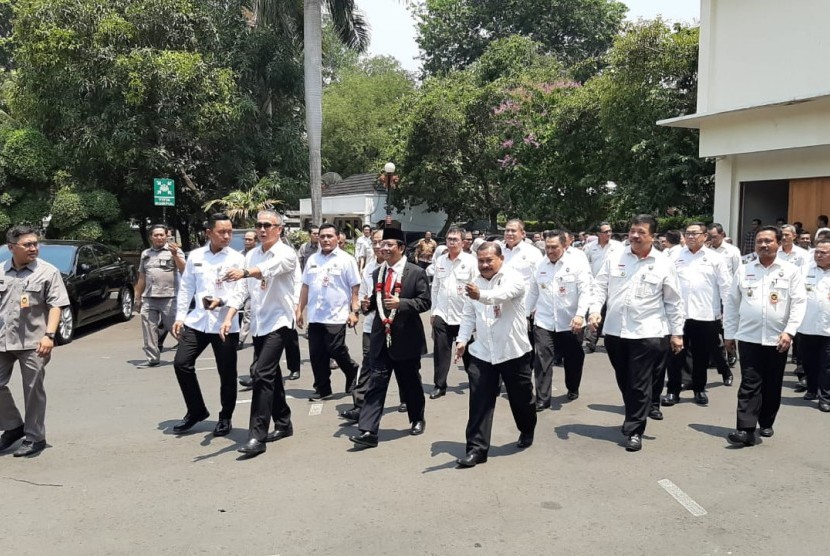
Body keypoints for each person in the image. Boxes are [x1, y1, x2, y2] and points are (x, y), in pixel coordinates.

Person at [589, 215, 685, 452]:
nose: (635, 236)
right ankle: (635, 411)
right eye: (632, 231)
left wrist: (677, 333)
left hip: (647, 331)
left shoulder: (663, 263)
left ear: (652, 236)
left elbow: (674, 301)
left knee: (638, 381)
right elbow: (600, 286)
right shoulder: (615, 257)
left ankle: (634, 429)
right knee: (625, 379)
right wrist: (594, 311)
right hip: (615, 331)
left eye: (641, 232)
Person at [220, 211, 297, 456]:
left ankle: (257, 436)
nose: (262, 229)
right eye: (259, 225)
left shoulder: (286, 254)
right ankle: (284, 423)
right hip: (259, 324)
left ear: (279, 228)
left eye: (268, 225)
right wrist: (229, 316)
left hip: (280, 322)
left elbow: (269, 269)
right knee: (270, 374)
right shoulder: (251, 254)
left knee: (261, 374)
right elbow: (242, 290)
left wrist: (244, 272)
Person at [453, 242, 537, 467]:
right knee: (479, 400)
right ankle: (476, 449)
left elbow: (500, 296)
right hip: (483, 352)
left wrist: (480, 295)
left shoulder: (514, 278)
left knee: (521, 399)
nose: (485, 265)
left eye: (489, 260)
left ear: (501, 259)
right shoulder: (474, 284)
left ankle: (527, 428)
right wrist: (462, 340)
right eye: (481, 261)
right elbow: (468, 315)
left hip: (513, 352)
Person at [349, 227, 431, 448]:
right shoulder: (378, 272)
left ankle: (417, 418)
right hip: (380, 338)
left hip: (406, 338)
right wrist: (367, 306)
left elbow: (425, 302)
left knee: (410, 383)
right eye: (381, 245)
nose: (383, 249)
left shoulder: (415, 272)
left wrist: (401, 304)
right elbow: (377, 303)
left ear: (401, 248)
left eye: (388, 245)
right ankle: (368, 431)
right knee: (376, 383)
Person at [724, 226, 806, 446]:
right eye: (759, 241)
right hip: (749, 337)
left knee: (772, 383)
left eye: (768, 241)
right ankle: (745, 429)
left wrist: (789, 331)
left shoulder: (790, 271)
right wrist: (729, 334)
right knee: (749, 383)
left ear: (778, 243)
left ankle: (766, 420)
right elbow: (732, 304)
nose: (763, 245)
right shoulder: (744, 269)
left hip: (778, 338)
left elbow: (798, 303)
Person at [170, 213, 244, 436]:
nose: (227, 236)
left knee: (227, 373)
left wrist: (222, 302)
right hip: (198, 321)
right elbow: (186, 287)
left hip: (225, 323)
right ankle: (196, 410)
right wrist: (180, 316)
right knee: (181, 363)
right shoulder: (195, 256)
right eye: (222, 232)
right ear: (208, 233)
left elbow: (241, 292)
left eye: (230, 231)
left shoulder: (237, 259)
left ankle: (225, 416)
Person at [0, 225, 69, 457]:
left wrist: (50, 335)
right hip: (3, 341)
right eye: (27, 244)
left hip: (34, 342)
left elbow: (55, 305)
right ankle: (13, 426)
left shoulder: (48, 272)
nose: (33, 248)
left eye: (35, 243)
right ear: (12, 247)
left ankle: (34, 437)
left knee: (33, 390)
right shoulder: (1, 271)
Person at [660, 222, 732, 409]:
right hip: (679, 314)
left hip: (706, 314)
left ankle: (699, 389)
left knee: (701, 355)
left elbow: (726, 287)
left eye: (695, 233)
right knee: (675, 354)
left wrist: (727, 313)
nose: (691, 237)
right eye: (688, 233)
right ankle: (673, 390)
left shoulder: (715, 259)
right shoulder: (675, 257)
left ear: (704, 236)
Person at [340, 229, 406, 421]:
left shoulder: (403, 268)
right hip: (372, 327)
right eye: (376, 243)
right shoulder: (369, 268)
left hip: (397, 327)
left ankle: (407, 399)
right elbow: (362, 295)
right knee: (369, 364)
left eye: (384, 243)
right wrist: (359, 309)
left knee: (403, 366)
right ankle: (360, 405)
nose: (379, 247)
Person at [526, 230, 593, 411]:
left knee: (573, 359)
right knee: (542, 359)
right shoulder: (540, 266)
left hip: (571, 323)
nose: (550, 250)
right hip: (544, 321)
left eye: (554, 247)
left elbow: (586, 291)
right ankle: (542, 398)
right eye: (547, 247)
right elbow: (533, 292)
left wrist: (580, 314)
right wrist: (524, 314)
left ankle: (572, 387)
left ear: (565, 245)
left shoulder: (577, 263)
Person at [296, 223, 361, 401]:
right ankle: (322, 389)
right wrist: (299, 309)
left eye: (329, 236)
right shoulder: (313, 260)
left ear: (337, 238)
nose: (325, 239)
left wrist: (354, 311)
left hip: (337, 314)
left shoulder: (346, 259)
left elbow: (355, 287)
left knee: (335, 348)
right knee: (317, 354)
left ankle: (351, 370)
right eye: (322, 236)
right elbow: (305, 286)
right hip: (316, 315)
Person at [429, 227, 477, 399]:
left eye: (455, 239)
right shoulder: (441, 260)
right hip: (443, 313)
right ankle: (439, 385)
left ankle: (476, 383)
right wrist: (434, 311)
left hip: (464, 315)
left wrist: (476, 314)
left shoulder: (471, 261)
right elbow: (435, 287)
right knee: (441, 351)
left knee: (469, 352)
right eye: (449, 239)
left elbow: (477, 287)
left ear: (463, 242)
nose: (451, 242)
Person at [134, 224, 186, 367]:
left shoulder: (174, 251)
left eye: (161, 235)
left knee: (175, 328)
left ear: (166, 236)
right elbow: (142, 277)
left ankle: (188, 353)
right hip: (149, 298)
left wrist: (175, 255)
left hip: (169, 297)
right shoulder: (146, 254)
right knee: (149, 330)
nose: (159, 237)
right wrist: (138, 298)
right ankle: (153, 358)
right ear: (151, 237)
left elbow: (184, 270)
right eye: (156, 235)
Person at [798, 239, 830, 412]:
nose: (818, 255)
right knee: (809, 362)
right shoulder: (805, 271)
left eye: (823, 253)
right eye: (817, 252)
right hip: (807, 326)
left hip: (828, 328)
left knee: (826, 364)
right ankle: (811, 389)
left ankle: (825, 397)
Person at [584, 222, 622, 353]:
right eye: (605, 232)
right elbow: (585, 265)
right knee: (595, 311)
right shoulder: (589, 247)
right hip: (596, 285)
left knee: (610, 311)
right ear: (599, 234)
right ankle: (591, 341)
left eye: (610, 231)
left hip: (613, 284)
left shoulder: (618, 247)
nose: (609, 234)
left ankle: (612, 339)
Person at [237, 230, 259, 350]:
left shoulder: (259, 255)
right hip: (240, 288)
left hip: (253, 289)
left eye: (249, 239)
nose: (247, 241)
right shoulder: (239, 255)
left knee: (248, 314)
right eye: (245, 239)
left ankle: (240, 340)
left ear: (255, 241)